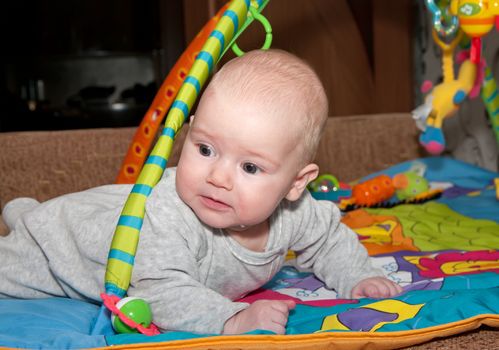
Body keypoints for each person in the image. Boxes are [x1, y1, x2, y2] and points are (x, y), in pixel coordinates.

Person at [0, 49, 402, 335]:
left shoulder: (298, 212)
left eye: (249, 167)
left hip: (121, 209)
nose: (217, 177)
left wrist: (359, 276)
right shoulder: (172, 216)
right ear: (189, 133)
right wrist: (230, 319)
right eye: (205, 149)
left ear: (297, 183)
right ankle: (28, 216)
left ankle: (24, 210)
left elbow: (330, 241)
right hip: (65, 245)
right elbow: (160, 291)